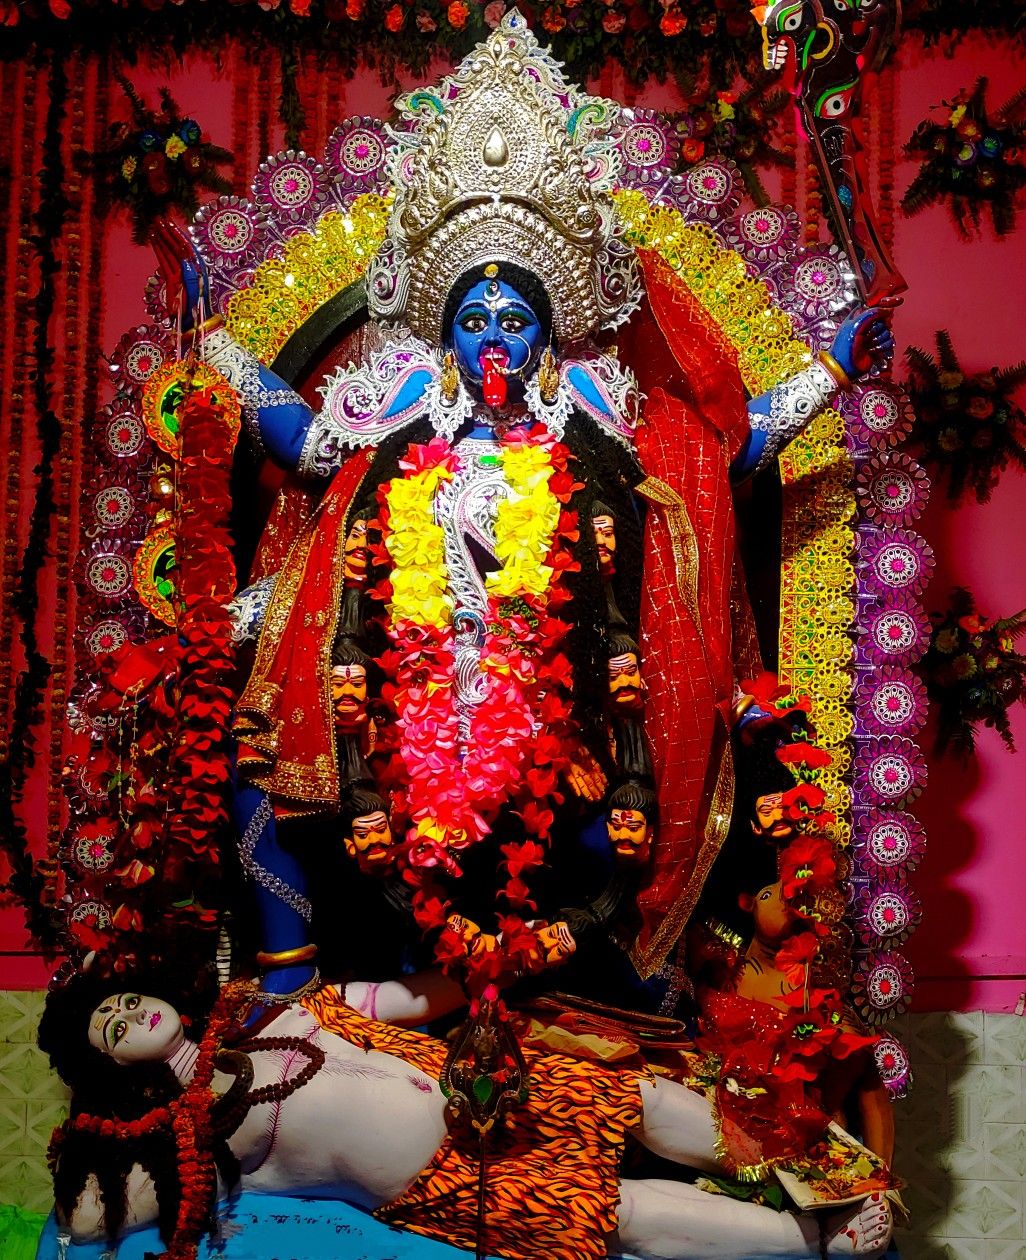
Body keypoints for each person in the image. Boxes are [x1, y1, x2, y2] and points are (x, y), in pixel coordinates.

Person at [151, 11, 895, 1008]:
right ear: (445, 331)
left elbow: (724, 459)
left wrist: (830, 372)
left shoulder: (598, 410)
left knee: (610, 812)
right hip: (397, 693)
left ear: (547, 331)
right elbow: (303, 444)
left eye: (514, 319)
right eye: (472, 319)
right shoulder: (403, 401)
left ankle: (618, 987)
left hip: (562, 702)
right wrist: (220, 348)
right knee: (266, 763)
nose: (492, 338)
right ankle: (292, 984)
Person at [39, 972, 894, 1260]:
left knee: (631, 1096)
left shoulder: (276, 1007)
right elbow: (81, 1224)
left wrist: (488, 969)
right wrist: (101, 1143)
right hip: (448, 1180)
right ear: (112, 1066)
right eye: (107, 1029)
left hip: (481, 1083)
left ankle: (809, 1171)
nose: (126, 1016)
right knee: (611, 1213)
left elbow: (411, 995)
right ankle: (810, 1246)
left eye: (121, 1000)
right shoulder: (186, 1139)